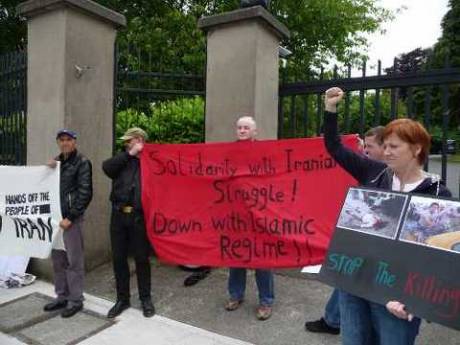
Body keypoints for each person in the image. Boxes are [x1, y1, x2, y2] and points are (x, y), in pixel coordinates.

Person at [323, 87, 451, 345]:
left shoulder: (438, 195)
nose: (386, 151)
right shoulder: (374, 173)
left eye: (394, 146)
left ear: (416, 150)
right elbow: (334, 147)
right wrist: (330, 109)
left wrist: (414, 301)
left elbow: (441, 259)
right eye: (385, 145)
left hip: (397, 300)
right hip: (356, 285)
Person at [305, 125, 385, 335]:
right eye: (364, 147)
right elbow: (335, 146)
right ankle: (332, 320)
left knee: (351, 281)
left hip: (378, 249)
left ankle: (334, 321)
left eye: (370, 147)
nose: (365, 151)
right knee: (345, 278)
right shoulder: (370, 168)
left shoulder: (390, 173)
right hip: (361, 241)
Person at [224, 116, 275, 321]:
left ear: (255, 132)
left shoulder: (265, 153)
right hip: (236, 214)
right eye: (239, 127)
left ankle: (266, 301)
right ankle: (235, 295)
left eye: (246, 128)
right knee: (236, 257)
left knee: (262, 258)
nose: (242, 130)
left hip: (260, 214)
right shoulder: (228, 153)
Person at [102, 128, 155, 318]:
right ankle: (122, 299)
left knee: (141, 259)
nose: (126, 143)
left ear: (139, 140)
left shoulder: (151, 161)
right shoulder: (122, 159)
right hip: (118, 216)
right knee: (119, 259)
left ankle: (145, 299)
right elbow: (107, 168)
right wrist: (129, 154)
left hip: (139, 217)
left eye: (129, 141)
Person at [43, 129, 93, 318]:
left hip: (71, 220)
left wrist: (70, 217)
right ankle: (62, 296)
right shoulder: (56, 163)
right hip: (56, 220)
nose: (65, 143)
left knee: (74, 261)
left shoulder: (82, 162)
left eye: (68, 140)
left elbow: (85, 193)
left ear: (75, 142)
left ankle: (76, 299)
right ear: (58, 142)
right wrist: (47, 170)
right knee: (58, 261)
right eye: (61, 140)